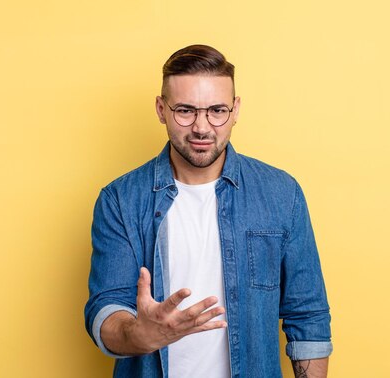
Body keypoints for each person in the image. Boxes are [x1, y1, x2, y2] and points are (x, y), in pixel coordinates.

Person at [85, 44, 332, 378]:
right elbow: (106, 308)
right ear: (161, 108)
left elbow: (308, 317)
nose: (202, 127)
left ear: (236, 109)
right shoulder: (120, 200)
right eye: (185, 111)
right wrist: (138, 335)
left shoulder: (281, 194)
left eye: (217, 111)